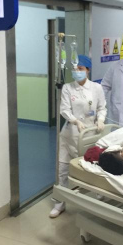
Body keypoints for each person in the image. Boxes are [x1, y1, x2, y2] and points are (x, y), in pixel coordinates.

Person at [50, 55, 106, 218]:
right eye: (75, 69)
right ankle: (59, 203)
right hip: (70, 134)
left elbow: (102, 107)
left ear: (88, 70)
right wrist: (74, 120)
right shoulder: (68, 88)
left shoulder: (96, 88)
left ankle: (99, 196)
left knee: (93, 168)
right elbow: (64, 109)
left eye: (80, 68)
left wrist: (101, 119)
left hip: (90, 134)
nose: (77, 71)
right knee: (63, 170)